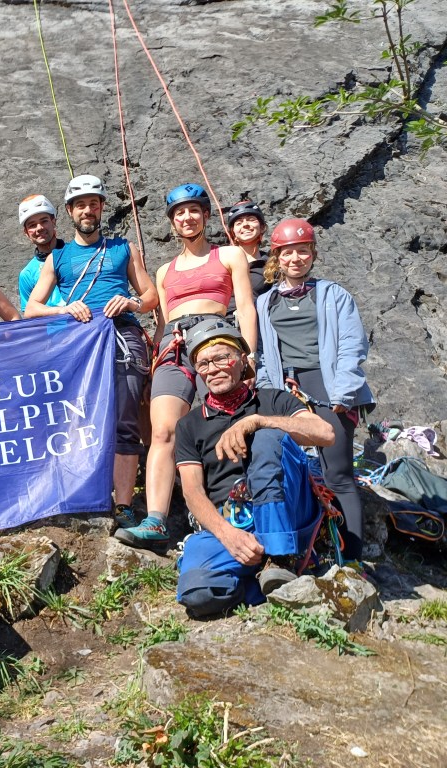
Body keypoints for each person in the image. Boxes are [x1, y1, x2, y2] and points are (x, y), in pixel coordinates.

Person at [117, 183, 257, 552]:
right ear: (172, 222)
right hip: (174, 345)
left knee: (224, 424)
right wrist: (153, 367)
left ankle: (234, 508)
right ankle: (155, 519)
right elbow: (162, 322)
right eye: (180, 213)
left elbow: (245, 307)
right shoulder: (164, 271)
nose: (187, 217)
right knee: (163, 430)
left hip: (216, 338)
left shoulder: (230, 255)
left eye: (194, 210)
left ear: (206, 215)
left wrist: (250, 355)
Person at [173, 320, 334, 618]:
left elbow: (325, 433)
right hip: (233, 523)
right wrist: (228, 536)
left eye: (222, 358)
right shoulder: (189, 425)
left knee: (268, 436)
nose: (212, 369)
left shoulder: (272, 400)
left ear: (241, 360)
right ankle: (263, 576)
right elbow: (193, 492)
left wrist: (258, 421)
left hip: (289, 510)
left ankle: (280, 554)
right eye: (203, 363)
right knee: (197, 594)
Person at [25, 174, 159, 529]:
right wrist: (63, 309)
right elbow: (32, 308)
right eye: (81, 205)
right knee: (79, 420)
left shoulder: (123, 248)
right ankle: (85, 494)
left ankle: (124, 505)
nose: (88, 210)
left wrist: (131, 302)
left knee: (125, 420)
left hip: (122, 335)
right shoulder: (58, 257)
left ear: (102, 208)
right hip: (81, 341)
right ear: (70, 212)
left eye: (93, 204)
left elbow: (150, 296)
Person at [255, 218, 374, 562]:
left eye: (303, 251)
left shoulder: (333, 295)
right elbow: (261, 352)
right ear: (277, 257)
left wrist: (344, 393)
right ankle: (291, 552)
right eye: (288, 252)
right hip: (284, 389)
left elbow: (351, 344)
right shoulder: (265, 302)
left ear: (313, 254)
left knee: (338, 474)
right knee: (284, 469)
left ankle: (352, 559)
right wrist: (268, 390)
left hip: (328, 386)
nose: (296, 258)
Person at [16, 194, 65, 313]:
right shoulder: (27, 274)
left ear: (53, 222)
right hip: (53, 324)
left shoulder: (74, 255)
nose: (39, 228)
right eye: (32, 225)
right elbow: (30, 314)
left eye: (44, 221)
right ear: (26, 232)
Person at [224, 199, 271, 302]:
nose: (245, 224)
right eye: (239, 223)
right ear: (232, 233)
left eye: (251, 219)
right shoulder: (222, 261)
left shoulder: (272, 264)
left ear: (262, 227)